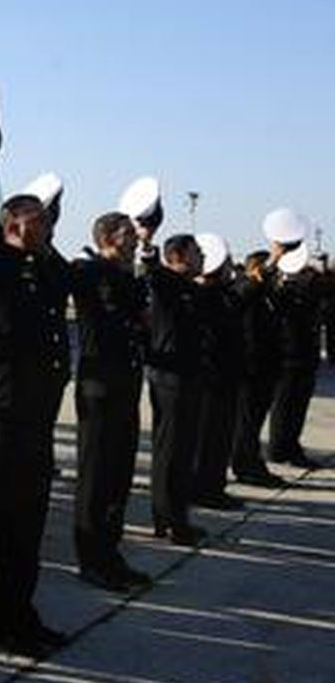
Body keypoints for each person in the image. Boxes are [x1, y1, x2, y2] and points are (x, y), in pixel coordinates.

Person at [0, 155, 72, 658]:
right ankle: (0, 620)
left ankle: (22, 612)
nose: (49, 225)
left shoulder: (45, 269)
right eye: (39, 218)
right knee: (2, 525)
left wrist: (44, 237)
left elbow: (61, 274)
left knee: (29, 522)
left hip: (36, 415)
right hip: (3, 414)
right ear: (12, 225)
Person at [66, 212, 151, 591]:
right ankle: (92, 559)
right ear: (107, 237)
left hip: (125, 384)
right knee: (97, 476)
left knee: (119, 474)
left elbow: (139, 314)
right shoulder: (89, 271)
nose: (135, 238)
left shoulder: (124, 275)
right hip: (99, 386)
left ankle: (110, 552)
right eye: (128, 233)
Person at [140, 230, 208, 545]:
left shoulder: (192, 289)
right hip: (171, 380)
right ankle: (168, 520)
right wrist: (147, 245)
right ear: (178, 257)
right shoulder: (166, 283)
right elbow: (153, 273)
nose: (203, 257)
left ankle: (176, 517)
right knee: (171, 450)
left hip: (190, 376)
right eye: (197, 252)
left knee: (183, 451)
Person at [193, 249, 246, 510]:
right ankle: (205, 489)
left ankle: (215, 486)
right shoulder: (203, 295)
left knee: (222, 436)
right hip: (211, 377)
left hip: (226, 375)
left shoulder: (224, 294)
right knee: (209, 437)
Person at [230, 251, 287, 487]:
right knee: (247, 422)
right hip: (251, 367)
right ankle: (246, 466)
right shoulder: (244, 288)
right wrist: (270, 263)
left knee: (254, 422)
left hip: (266, 366)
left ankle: (252, 462)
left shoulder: (267, 293)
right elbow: (245, 293)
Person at [267, 251, 322, 468]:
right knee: (285, 406)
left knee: (297, 407)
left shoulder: (307, 291)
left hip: (305, 358)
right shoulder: (283, 293)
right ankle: (279, 449)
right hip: (288, 358)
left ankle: (291, 446)